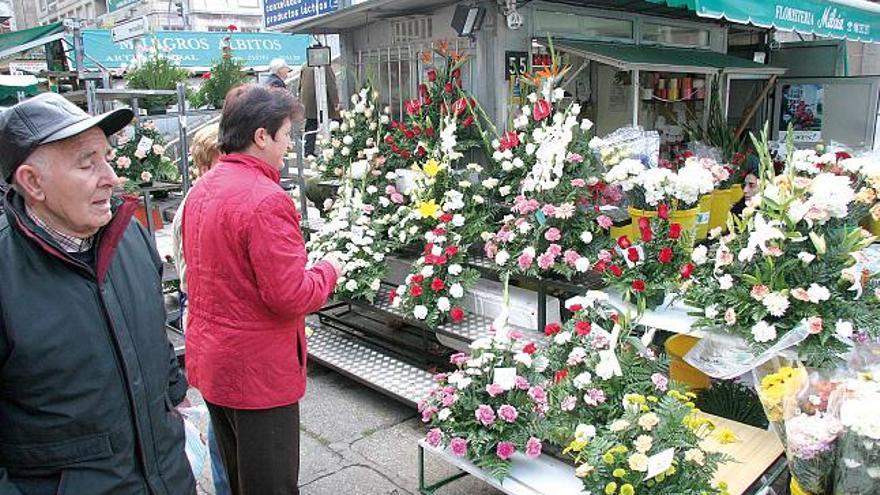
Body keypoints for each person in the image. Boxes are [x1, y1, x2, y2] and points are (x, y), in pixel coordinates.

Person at [0, 93, 194, 494]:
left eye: (107, 157)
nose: (111, 177)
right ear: (32, 182)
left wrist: (175, 399)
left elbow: (153, 335)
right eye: (87, 164)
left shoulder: (130, 238)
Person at [182, 84, 341, 495]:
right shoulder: (265, 199)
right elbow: (290, 295)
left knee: (237, 479)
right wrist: (328, 269)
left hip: (216, 362)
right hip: (258, 374)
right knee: (269, 484)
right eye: (286, 135)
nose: (289, 146)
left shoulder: (203, 189)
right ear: (261, 136)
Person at [170, 123, 231, 495]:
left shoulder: (209, 199)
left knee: (224, 419)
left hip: (211, 319)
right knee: (222, 425)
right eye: (221, 160)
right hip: (206, 317)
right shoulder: (195, 206)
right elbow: (192, 278)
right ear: (205, 165)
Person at [298, 61, 340, 158]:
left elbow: (300, 85)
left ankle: (308, 151)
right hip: (323, 100)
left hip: (308, 101)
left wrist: (300, 99)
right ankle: (335, 146)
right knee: (337, 121)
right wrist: (336, 102)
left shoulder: (305, 65)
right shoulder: (325, 66)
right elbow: (331, 85)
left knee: (311, 124)